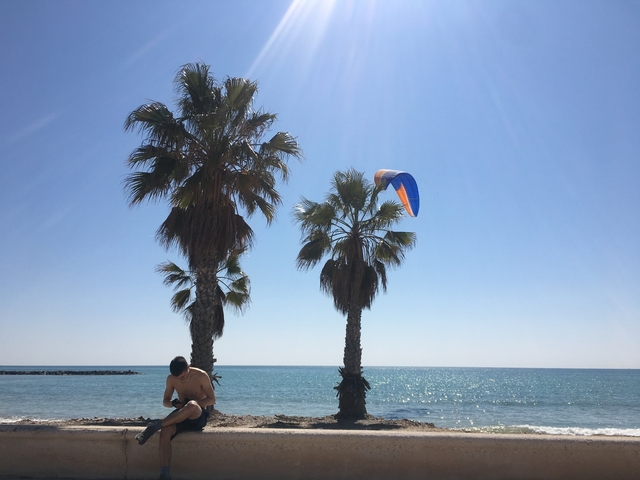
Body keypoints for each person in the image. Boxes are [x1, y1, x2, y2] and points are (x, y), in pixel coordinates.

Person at [136, 356, 216, 480]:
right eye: (178, 378)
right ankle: (165, 474)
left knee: (192, 405)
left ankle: (154, 427)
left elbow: (212, 400)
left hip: (197, 415)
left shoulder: (201, 375)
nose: (181, 380)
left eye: (183, 377)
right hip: (180, 414)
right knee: (166, 431)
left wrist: (192, 403)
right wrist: (173, 403)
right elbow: (165, 402)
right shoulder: (171, 379)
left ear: (188, 368)